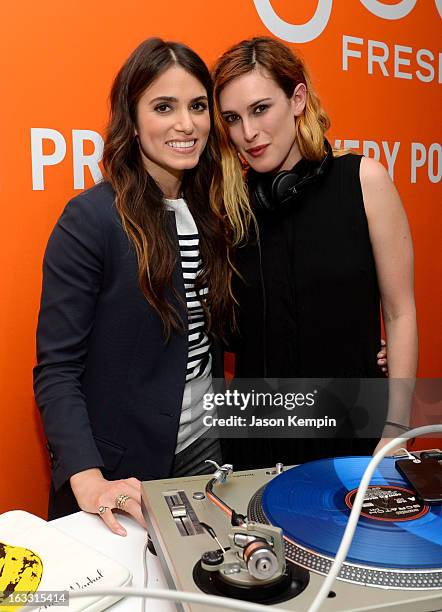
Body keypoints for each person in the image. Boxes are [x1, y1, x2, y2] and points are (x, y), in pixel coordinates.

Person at [33, 38, 233, 535]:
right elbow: (57, 370)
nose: (186, 124)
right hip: (122, 472)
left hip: (205, 451)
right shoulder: (91, 219)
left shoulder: (214, 214)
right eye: (164, 107)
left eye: (198, 107)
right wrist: (88, 478)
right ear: (133, 116)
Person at [210, 37, 417, 469]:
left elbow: (400, 314)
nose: (248, 133)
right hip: (256, 441)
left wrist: (395, 430)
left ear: (298, 98)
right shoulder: (230, 204)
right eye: (233, 118)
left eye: (260, 109)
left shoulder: (364, 181)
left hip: (351, 434)